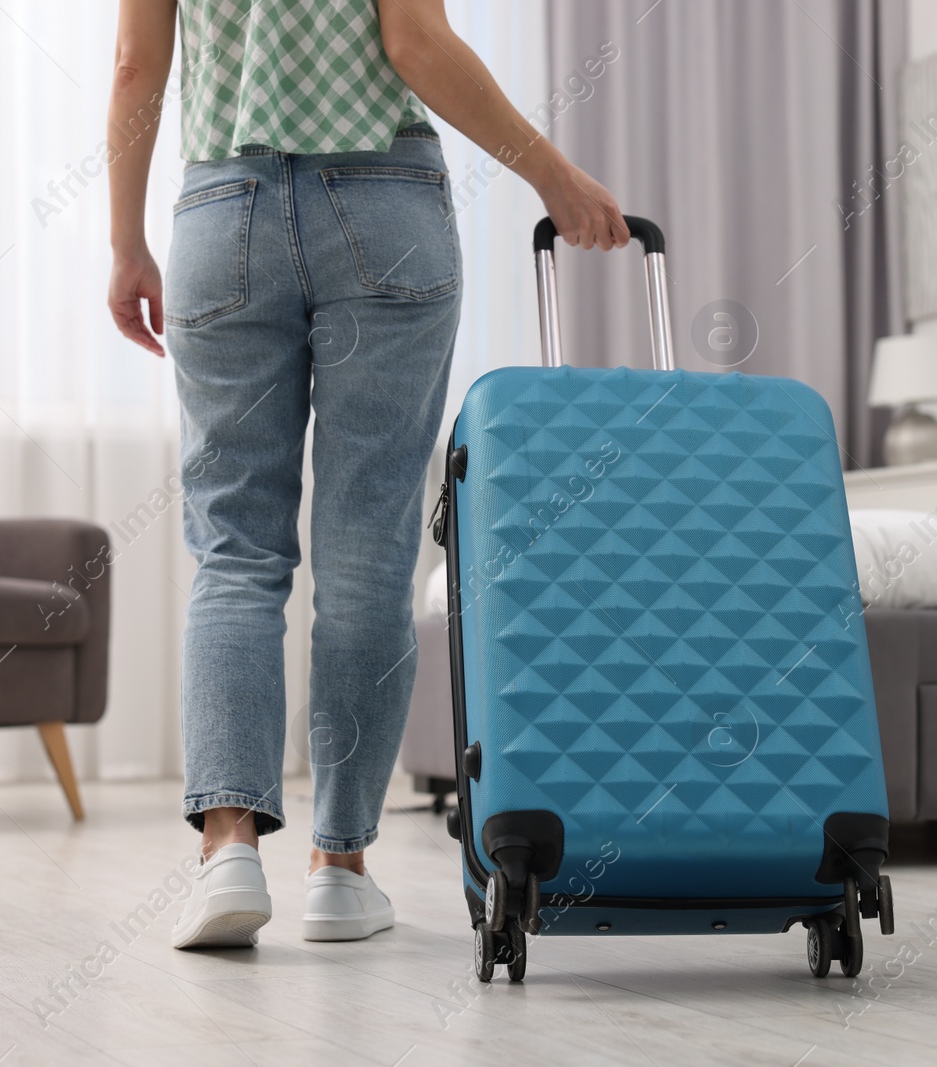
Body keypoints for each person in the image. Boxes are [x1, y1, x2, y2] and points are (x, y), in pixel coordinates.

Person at [106, 0, 628, 948]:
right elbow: (414, 42)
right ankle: (339, 871)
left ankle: (228, 850)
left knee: (235, 554)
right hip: (383, 207)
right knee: (367, 555)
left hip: (223, 216)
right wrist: (553, 176)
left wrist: (125, 242)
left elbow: (136, 71)